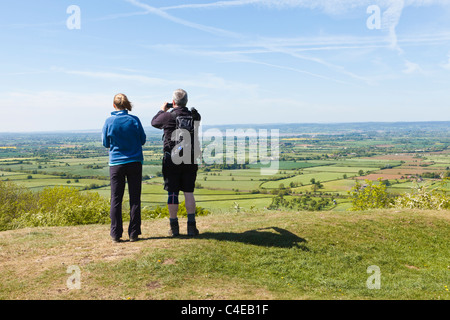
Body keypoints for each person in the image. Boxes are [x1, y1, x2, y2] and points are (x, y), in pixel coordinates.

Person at [151, 89, 201, 237]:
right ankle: (191, 227)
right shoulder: (195, 115)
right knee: (189, 192)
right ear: (186, 101)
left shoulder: (167, 116)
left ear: (173, 102)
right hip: (190, 158)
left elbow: (154, 122)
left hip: (171, 159)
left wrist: (162, 110)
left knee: (172, 192)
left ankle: (174, 227)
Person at [102, 93, 146, 243]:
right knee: (135, 198)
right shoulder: (134, 120)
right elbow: (143, 140)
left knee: (116, 199)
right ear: (126, 104)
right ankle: (133, 233)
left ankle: (115, 234)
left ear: (114, 105)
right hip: (134, 162)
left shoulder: (109, 121)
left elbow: (105, 143)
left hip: (116, 164)